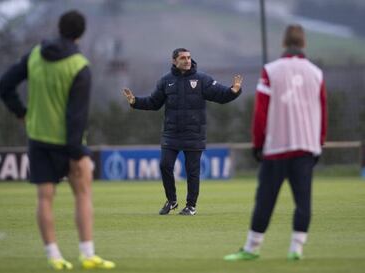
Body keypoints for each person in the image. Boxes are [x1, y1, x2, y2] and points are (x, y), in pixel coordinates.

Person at [0, 10, 115, 270]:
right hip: (68, 142)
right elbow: (77, 115)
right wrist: (76, 153)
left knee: (45, 198)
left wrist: (22, 113)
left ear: (59, 28)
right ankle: (87, 254)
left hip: (38, 138)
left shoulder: (35, 55)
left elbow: (4, 85)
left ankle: (54, 256)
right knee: (83, 194)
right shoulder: (79, 66)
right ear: (81, 34)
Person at [224, 24, 327, 261]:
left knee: (265, 200)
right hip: (306, 147)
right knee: (303, 201)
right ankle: (296, 249)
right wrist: (318, 142)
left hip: (277, 147)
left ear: (284, 43)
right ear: (304, 44)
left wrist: (257, 143)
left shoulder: (271, 70)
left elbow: (261, 112)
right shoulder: (316, 73)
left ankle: (252, 248)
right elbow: (323, 111)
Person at [123, 48, 242, 216]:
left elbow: (221, 95)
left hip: (194, 134)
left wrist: (233, 91)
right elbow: (153, 102)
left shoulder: (202, 80)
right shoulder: (166, 81)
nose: (187, 60)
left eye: (189, 57)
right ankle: (171, 201)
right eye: (183, 58)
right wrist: (135, 102)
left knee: (192, 172)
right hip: (171, 133)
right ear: (174, 61)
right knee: (165, 165)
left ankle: (191, 206)